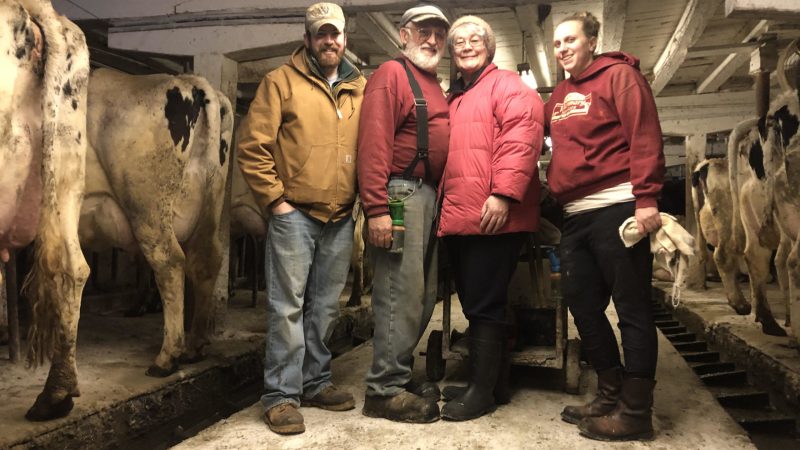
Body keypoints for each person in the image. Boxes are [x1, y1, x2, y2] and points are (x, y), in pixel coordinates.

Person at [237, 2, 366, 435]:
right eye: (320, 34)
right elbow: (253, 147)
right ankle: (280, 396)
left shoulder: (360, 88)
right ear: (308, 38)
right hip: (295, 215)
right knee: (286, 307)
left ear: (345, 38)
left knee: (325, 308)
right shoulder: (280, 82)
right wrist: (276, 201)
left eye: (335, 33)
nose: (329, 40)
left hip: (342, 216)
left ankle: (314, 382)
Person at [546, 12, 665, 441]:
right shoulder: (559, 94)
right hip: (575, 213)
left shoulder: (620, 77)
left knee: (631, 307)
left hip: (617, 205)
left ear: (592, 41)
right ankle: (609, 392)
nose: (561, 48)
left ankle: (636, 411)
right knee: (581, 302)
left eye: (570, 39)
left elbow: (645, 135)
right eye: (556, 42)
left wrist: (647, 197)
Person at [436, 15, 544, 421]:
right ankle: (495, 385)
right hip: (463, 215)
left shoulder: (509, 87)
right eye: (458, 41)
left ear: (490, 46)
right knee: (479, 301)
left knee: (483, 304)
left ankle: (481, 390)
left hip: (490, 214)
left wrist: (502, 194)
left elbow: (521, 139)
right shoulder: (458, 96)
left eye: (474, 39)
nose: (465, 45)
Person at [357, 4, 450, 424]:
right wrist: (377, 209)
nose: (432, 40)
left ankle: (398, 371)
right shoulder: (391, 75)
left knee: (422, 293)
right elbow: (374, 142)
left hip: (427, 195)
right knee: (398, 290)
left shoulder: (431, 82)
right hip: (400, 194)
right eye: (424, 31)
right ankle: (383, 390)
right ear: (404, 34)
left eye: (439, 34)